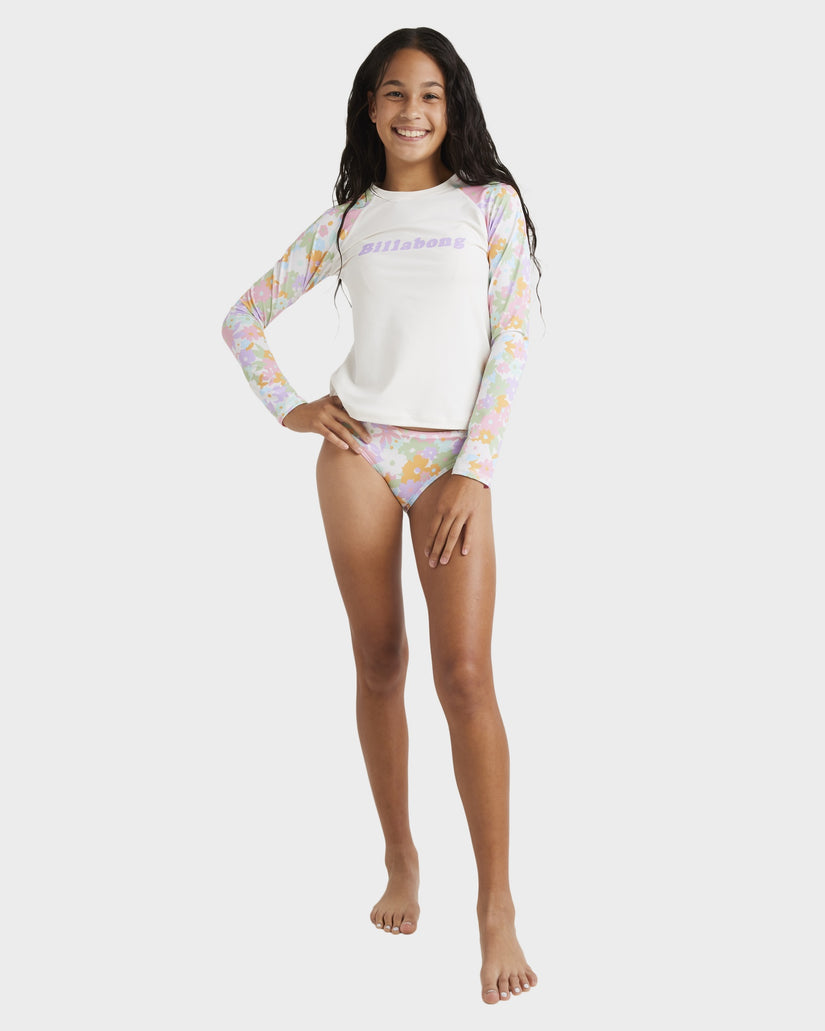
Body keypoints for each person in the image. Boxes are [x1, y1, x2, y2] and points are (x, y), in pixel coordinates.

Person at [221, 26, 540, 1005]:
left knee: (466, 674)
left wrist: (473, 471)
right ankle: (400, 856)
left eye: (431, 94)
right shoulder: (349, 219)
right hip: (359, 452)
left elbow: (514, 339)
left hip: (452, 458)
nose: (412, 110)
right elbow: (242, 317)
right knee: (379, 662)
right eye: (395, 93)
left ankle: (496, 904)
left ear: (453, 107)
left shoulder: (489, 205)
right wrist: (293, 406)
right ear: (370, 105)